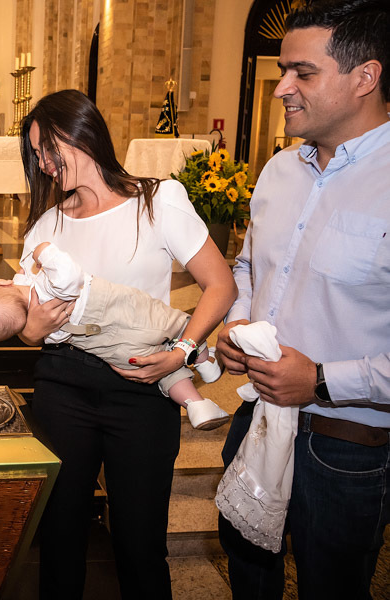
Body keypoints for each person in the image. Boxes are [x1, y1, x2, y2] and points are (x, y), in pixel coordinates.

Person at [18, 89, 237, 599]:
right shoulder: (47, 225)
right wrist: (30, 330)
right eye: (37, 156)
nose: (46, 164)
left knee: (139, 542)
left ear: (81, 131)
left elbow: (221, 284)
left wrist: (181, 351)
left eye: (50, 148)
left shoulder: (158, 200)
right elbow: (26, 321)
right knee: (60, 534)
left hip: (143, 382)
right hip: (63, 384)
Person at [215, 1, 390, 597]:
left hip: (346, 446)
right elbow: (248, 267)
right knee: (247, 572)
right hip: (257, 416)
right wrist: (237, 326)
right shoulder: (279, 171)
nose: (281, 87)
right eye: (283, 70)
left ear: (364, 78)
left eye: (302, 72)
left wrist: (319, 380)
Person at [0, 241, 229, 430]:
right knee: (178, 325)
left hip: (113, 350)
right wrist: (46, 253)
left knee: (164, 370)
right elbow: (70, 276)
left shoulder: (47, 325)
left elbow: (46, 335)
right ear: (6, 282)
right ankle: (205, 363)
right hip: (124, 313)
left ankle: (195, 404)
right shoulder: (47, 285)